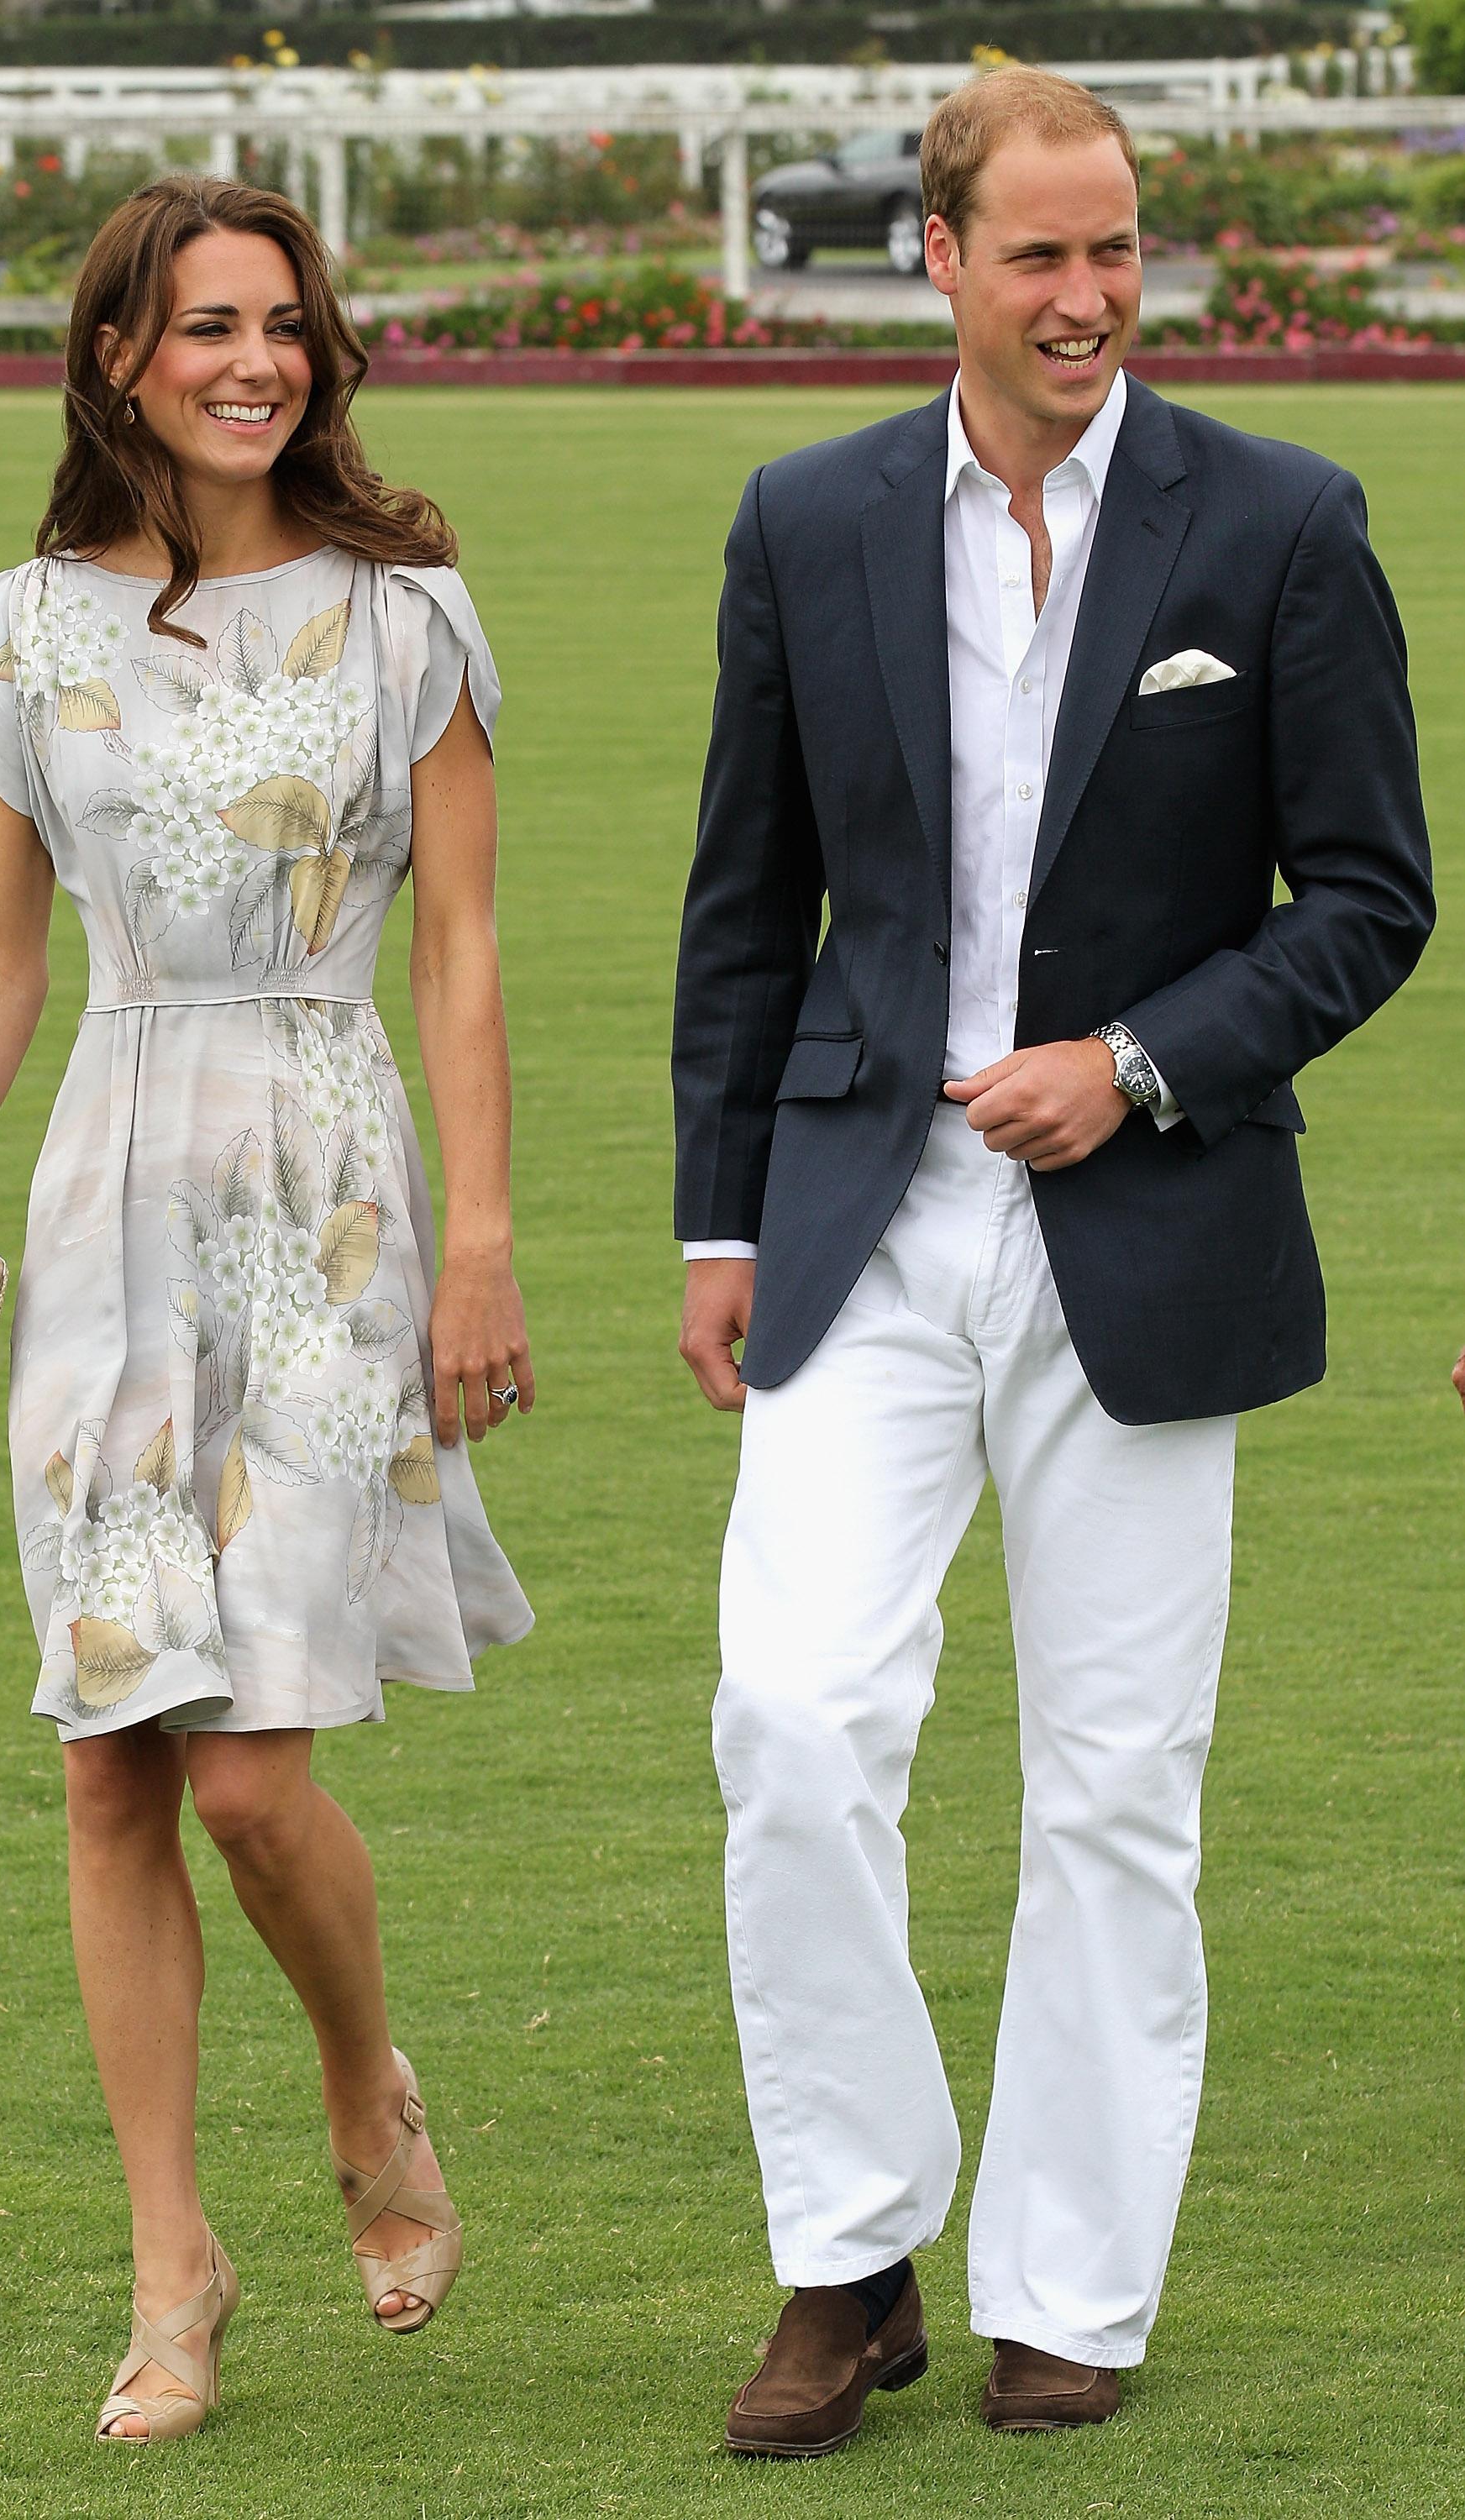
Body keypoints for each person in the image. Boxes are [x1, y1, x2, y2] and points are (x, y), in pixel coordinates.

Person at [673, 68, 1431, 2455]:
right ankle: (846, 2253)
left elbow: (1370, 898)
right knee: (795, 1722)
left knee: (1114, 1782)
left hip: (1150, 1216)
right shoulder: (802, 520)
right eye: (1041, 254)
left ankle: (1068, 2285)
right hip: (857, 1220)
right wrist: (716, 1214)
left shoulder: (1281, 524)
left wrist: (1136, 1057)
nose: (1091, 295)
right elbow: (740, 902)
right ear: (937, 260)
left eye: (1117, 250)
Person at [0, 175, 534, 2444]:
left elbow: (453, 951)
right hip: (104, 1185)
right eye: (209, 325)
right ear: (120, 357)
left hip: (328, 1194)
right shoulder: (13, 630)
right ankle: (173, 2260)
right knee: (111, 1750)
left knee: (252, 1778)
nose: (259, 360)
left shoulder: (404, 617)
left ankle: (366, 2091)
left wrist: (481, 1245)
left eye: (286, 323)